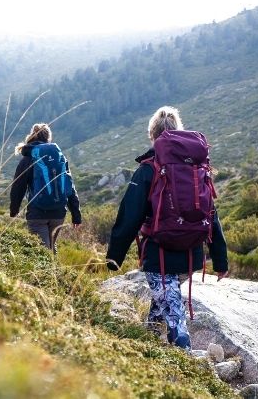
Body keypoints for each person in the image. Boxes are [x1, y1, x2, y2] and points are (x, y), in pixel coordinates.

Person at [105, 106, 229, 349]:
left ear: (152, 135)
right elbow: (211, 213)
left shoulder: (148, 169)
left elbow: (129, 215)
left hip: (159, 254)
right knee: (166, 295)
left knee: (173, 308)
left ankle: (185, 353)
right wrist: (220, 259)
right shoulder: (196, 167)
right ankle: (149, 336)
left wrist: (114, 258)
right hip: (191, 254)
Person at [10, 123, 82, 252]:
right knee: (51, 248)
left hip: (37, 213)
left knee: (42, 252)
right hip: (58, 213)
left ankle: (48, 272)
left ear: (32, 135)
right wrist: (76, 215)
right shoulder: (59, 157)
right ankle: (56, 272)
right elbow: (69, 186)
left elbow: (18, 186)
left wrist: (14, 211)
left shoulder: (28, 158)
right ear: (48, 137)